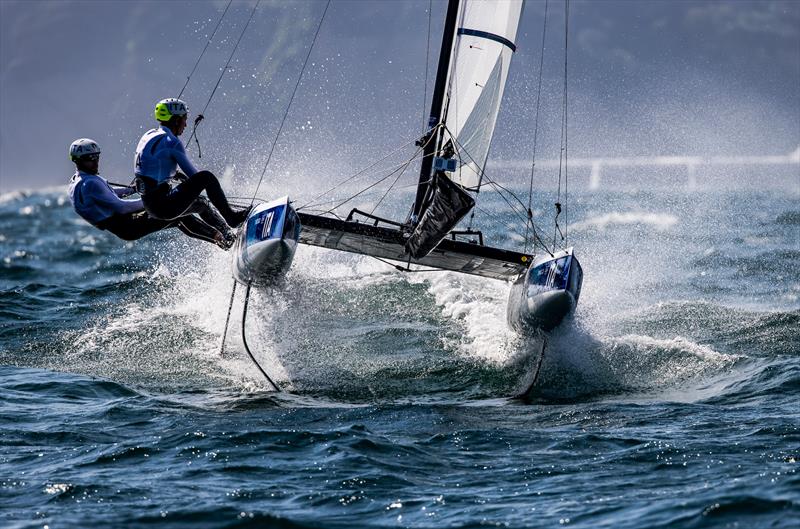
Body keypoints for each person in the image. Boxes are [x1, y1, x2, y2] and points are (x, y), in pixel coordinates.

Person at [68, 138, 232, 248]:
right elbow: (121, 208)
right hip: (128, 224)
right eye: (90, 158)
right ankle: (226, 237)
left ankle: (221, 237)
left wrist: (132, 189)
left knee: (178, 214)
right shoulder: (90, 183)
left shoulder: (79, 180)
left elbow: (108, 195)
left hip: (124, 226)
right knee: (186, 210)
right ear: (78, 160)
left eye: (96, 156)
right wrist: (153, 202)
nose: (95, 161)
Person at [133, 98, 249, 239]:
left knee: (201, 204)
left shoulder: (149, 135)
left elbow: (152, 165)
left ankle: (229, 236)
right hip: (164, 206)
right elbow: (195, 176)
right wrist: (192, 182)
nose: (186, 124)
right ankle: (232, 218)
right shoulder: (172, 142)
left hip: (150, 205)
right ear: (176, 120)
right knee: (207, 177)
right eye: (184, 119)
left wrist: (177, 175)